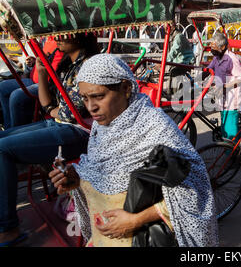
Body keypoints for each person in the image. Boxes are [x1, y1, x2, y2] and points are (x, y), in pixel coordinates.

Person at [49, 54, 218, 247]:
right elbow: (104, 178)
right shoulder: (100, 128)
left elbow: (194, 189)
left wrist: (135, 221)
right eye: (85, 98)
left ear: (126, 88)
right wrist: (76, 179)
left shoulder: (154, 125)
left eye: (98, 96)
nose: (91, 107)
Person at [0, 33, 98, 247]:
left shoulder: (90, 65)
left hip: (80, 132)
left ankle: (8, 229)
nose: (57, 38)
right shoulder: (67, 64)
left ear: (79, 36)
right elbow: (49, 104)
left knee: (2, 149)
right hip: (60, 124)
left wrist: (54, 111)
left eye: (63, 34)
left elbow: (68, 113)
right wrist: (43, 73)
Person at [0, 37, 64, 129]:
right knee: (2, 87)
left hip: (49, 82)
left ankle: (16, 131)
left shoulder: (61, 40)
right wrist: (33, 61)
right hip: (33, 78)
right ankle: (8, 128)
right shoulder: (48, 39)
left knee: (17, 95)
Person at [206, 32, 241, 139]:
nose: (212, 49)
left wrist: (225, 86)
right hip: (222, 98)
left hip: (232, 99)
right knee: (224, 128)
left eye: (214, 47)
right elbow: (209, 69)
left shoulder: (232, 59)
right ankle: (228, 150)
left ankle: (233, 153)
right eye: (211, 46)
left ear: (223, 47)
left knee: (231, 130)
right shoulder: (216, 58)